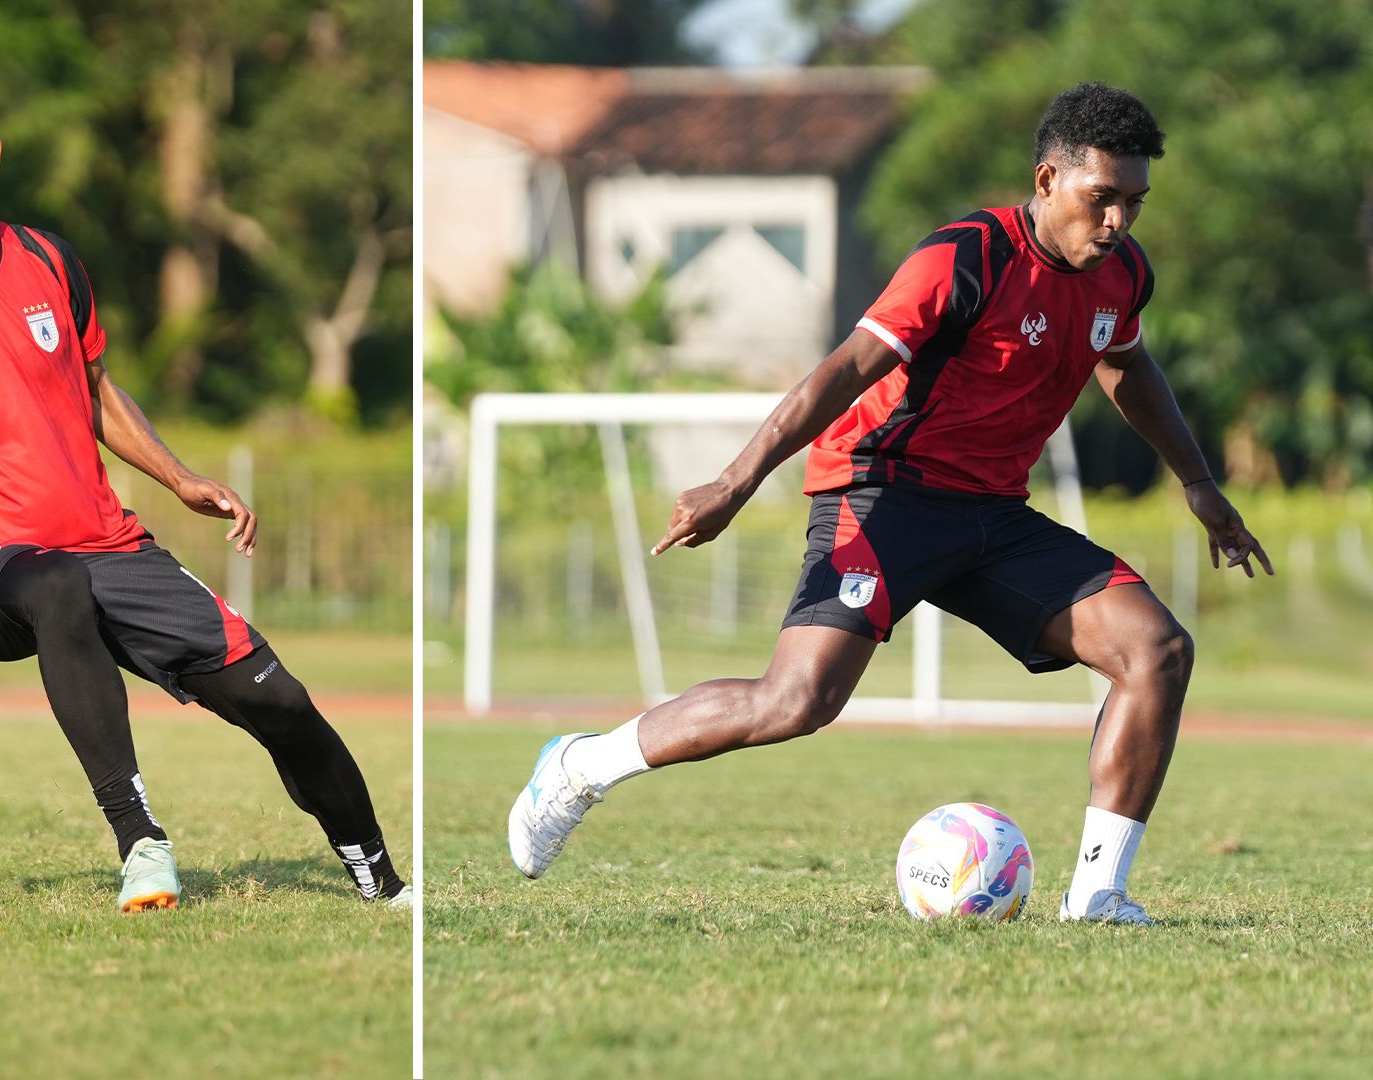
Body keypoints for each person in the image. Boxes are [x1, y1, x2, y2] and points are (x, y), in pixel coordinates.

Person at [507, 83, 1272, 924]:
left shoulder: (1122, 274)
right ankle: (581, 765)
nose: (1119, 221)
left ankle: (1097, 896)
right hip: (882, 495)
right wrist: (738, 478)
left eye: (1133, 202)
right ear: (1048, 179)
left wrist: (1200, 484)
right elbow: (844, 371)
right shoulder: (966, 257)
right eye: (1103, 199)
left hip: (993, 516)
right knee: (796, 703)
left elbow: (1127, 367)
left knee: (1156, 650)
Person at [0, 81, 406, 913]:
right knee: (56, 585)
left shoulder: (53, 264)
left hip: (110, 548)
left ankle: (382, 883)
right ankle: (141, 840)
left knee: (283, 704)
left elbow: (94, 392)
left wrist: (179, 476)